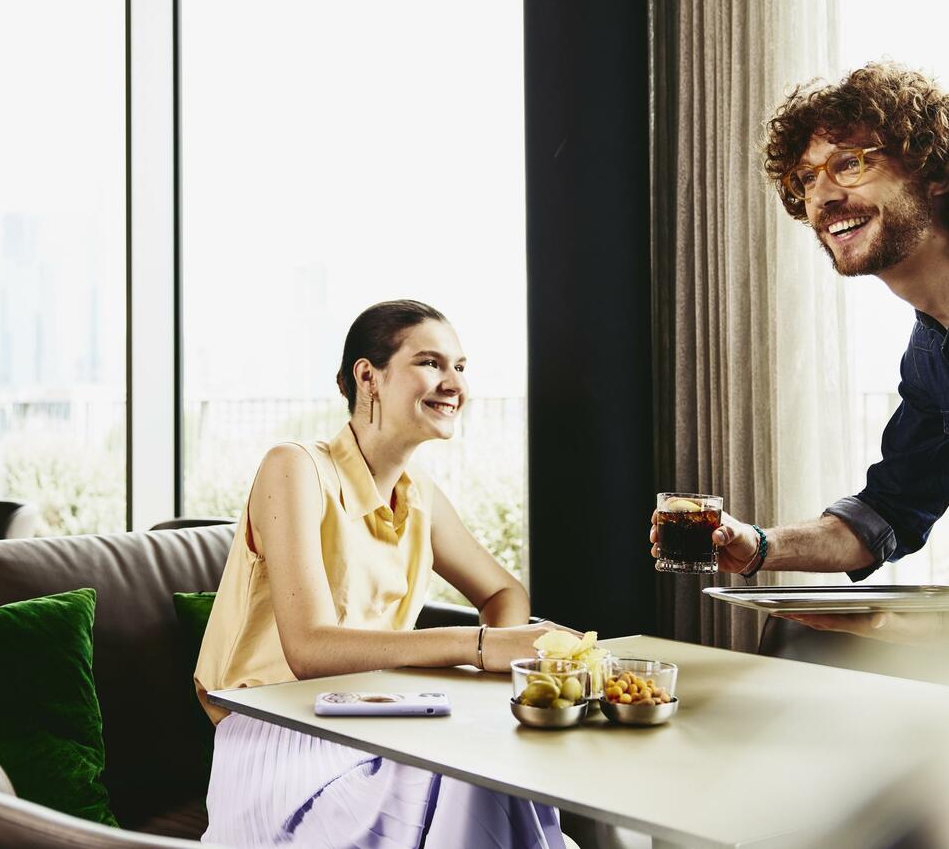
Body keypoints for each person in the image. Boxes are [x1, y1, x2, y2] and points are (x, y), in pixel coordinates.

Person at [194, 299, 574, 848]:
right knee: (482, 776)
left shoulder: (420, 496)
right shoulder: (295, 467)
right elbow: (309, 651)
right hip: (279, 740)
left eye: (460, 367)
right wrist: (482, 647)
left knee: (496, 764)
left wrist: (494, 680)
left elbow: (502, 591)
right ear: (367, 376)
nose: (453, 384)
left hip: (381, 729)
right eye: (430, 363)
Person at [650, 62, 949, 643]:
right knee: (796, 646)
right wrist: (758, 546)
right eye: (806, 180)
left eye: (851, 163)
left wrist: (913, 632)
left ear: (932, 171)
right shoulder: (930, 356)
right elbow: (887, 513)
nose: (824, 196)